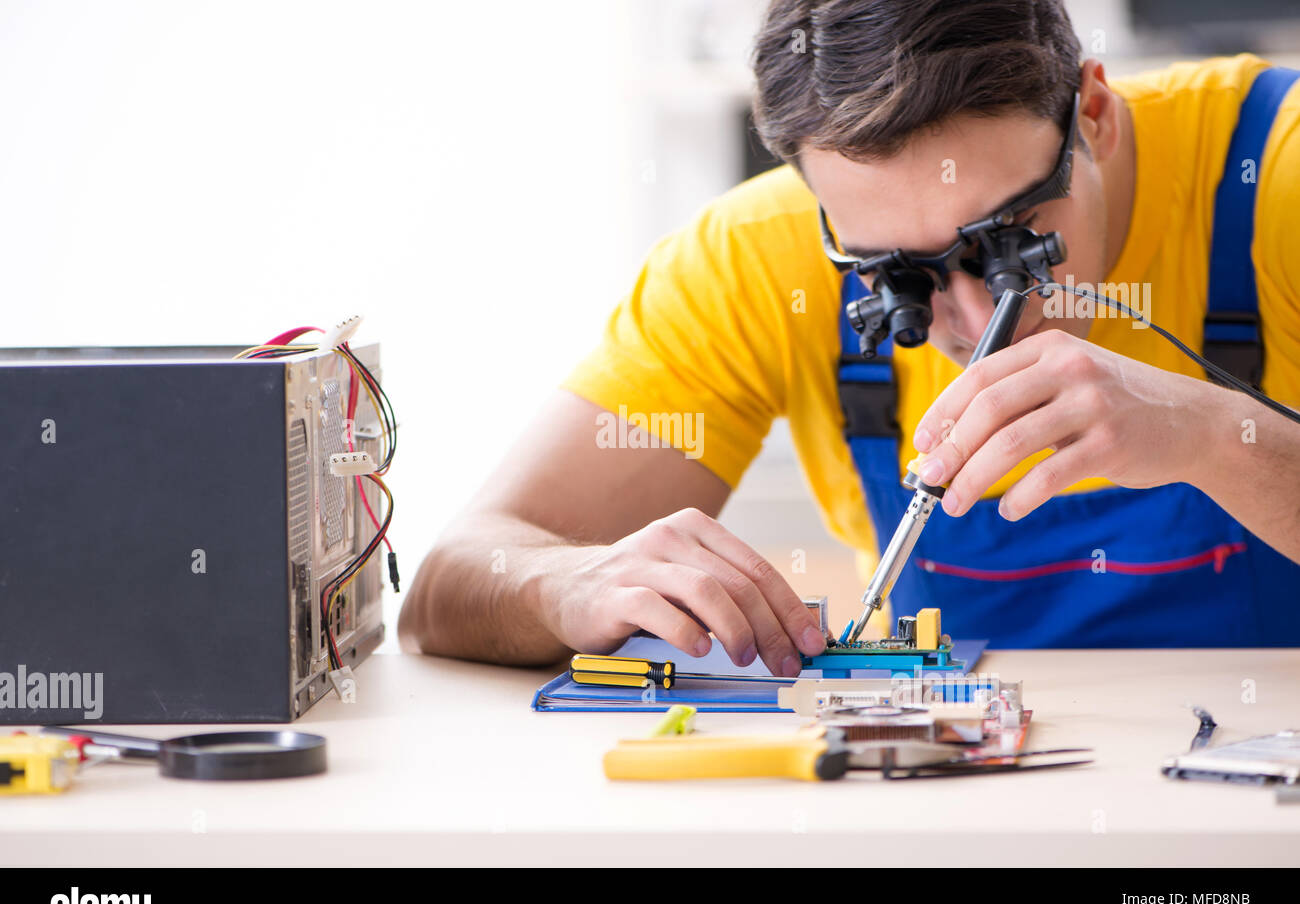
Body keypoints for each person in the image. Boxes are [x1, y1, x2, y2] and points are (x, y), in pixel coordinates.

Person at [399, 0, 1300, 675]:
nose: (970, 319)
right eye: (896, 273)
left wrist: (1221, 437)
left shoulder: (1278, 176)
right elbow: (447, 586)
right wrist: (572, 583)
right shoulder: (755, 258)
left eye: (1009, 243)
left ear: (1092, 114)